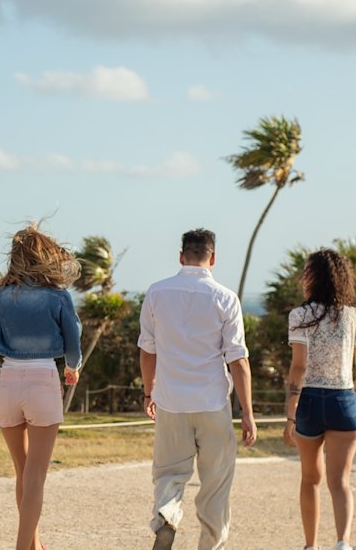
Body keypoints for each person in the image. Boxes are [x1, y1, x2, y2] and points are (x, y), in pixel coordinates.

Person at [139, 228, 256, 550]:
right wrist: (247, 413)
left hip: (170, 400)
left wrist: (149, 392)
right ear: (213, 258)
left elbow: (148, 350)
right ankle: (210, 545)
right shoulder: (225, 298)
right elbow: (238, 360)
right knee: (216, 483)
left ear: (181, 256)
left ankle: (166, 513)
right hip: (212, 401)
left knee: (169, 472)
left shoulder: (156, 293)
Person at [0, 223, 83, 550]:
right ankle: (24, 547)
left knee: (22, 473)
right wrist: (72, 368)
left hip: (7, 384)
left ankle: (34, 544)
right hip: (42, 381)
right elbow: (74, 342)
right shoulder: (58, 296)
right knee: (35, 477)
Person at [282, 249, 356, 550]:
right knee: (340, 482)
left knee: (310, 479)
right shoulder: (354, 316)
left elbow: (299, 368)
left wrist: (290, 414)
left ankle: (310, 545)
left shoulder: (300, 316)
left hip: (308, 403)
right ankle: (343, 542)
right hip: (343, 401)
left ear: (312, 277)